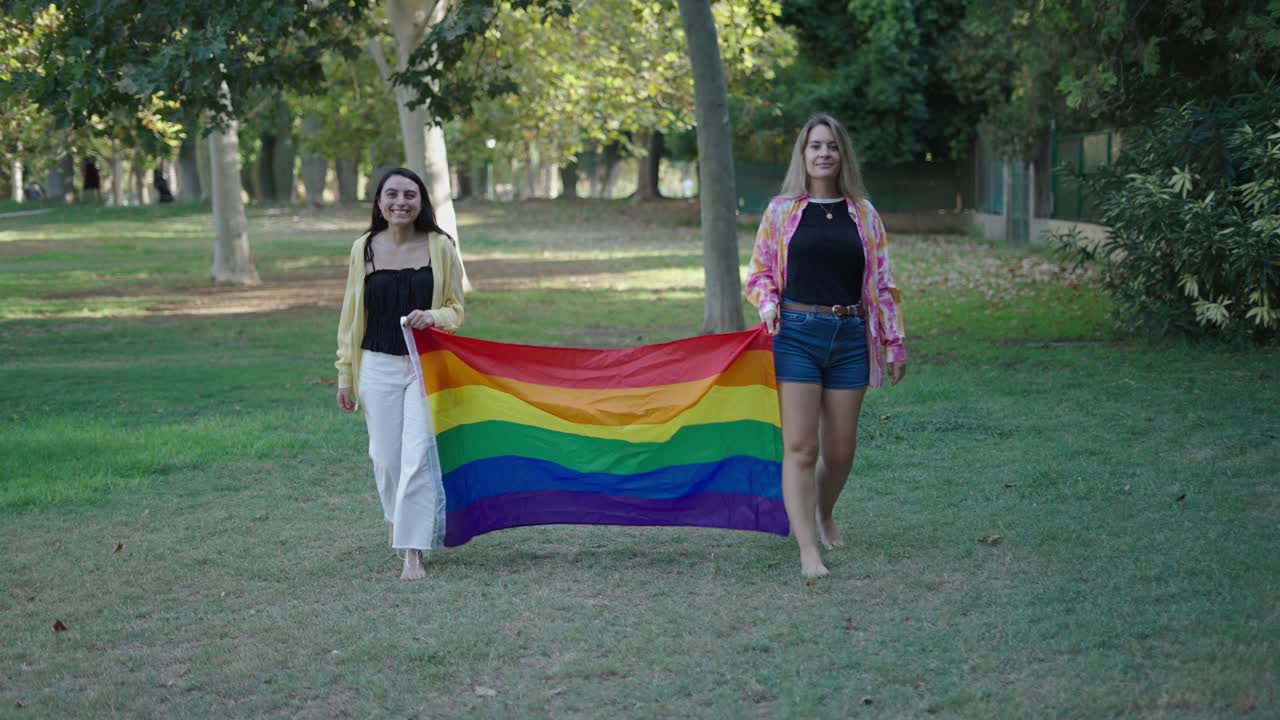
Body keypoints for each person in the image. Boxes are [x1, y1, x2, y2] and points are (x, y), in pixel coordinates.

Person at [746, 114, 907, 578]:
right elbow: (758, 273)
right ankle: (807, 551)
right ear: (803, 154)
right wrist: (769, 304)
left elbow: (881, 284)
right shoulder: (781, 210)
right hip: (795, 333)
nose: (823, 154)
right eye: (815, 146)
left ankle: (824, 510)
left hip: (851, 337)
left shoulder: (864, 213)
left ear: (842, 155)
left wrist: (894, 343)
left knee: (840, 453)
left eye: (831, 147)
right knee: (801, 448)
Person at [335, 168, 465, 581]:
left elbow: (456, 310)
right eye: (392, 194)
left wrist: (434, 315)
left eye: (410, 195)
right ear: (379, 202)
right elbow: (351, 315)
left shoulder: (440, 246)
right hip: (377, 365)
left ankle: (413, 551)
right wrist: (345, 374)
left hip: (425, 366)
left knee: (417, 457)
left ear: (421, 201)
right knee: (386, 458)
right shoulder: (364, 248)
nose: (401, 202)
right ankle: (397, 520)